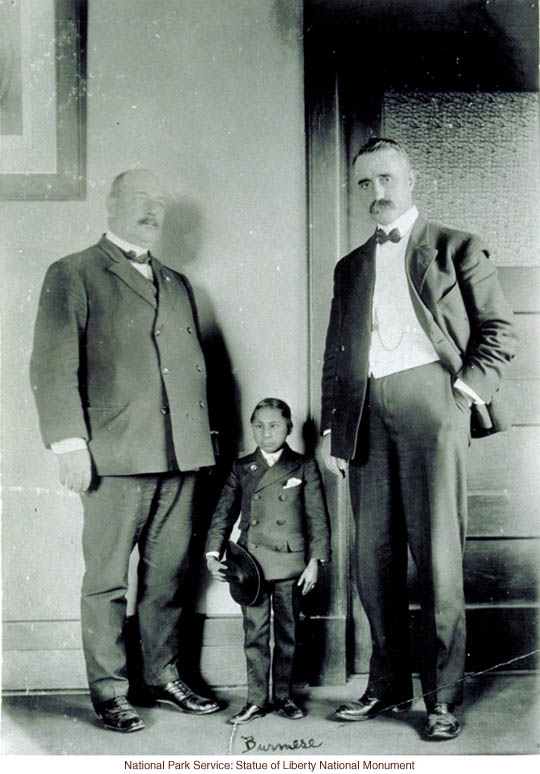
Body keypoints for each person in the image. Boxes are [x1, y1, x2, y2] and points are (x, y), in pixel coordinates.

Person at [320, 138, 518, 740]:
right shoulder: (350, 266)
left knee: (437, 558)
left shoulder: (456, 247)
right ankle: (384, 686)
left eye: (386, 179)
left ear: (410, 180)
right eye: (364, 184)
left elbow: (499, 330)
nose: (376, 194)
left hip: (434, 405)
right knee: (372, 559)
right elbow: (338, 353)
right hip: (363, 417)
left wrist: (461, 393)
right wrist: (333, 426)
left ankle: (442, 698)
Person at [30, 169, 221, 732]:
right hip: (113, 457)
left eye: (159, 203)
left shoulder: (179, 282)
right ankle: (111, 691)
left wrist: (203, 446)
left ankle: (161, 677)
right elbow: (51, 365)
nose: (151, 210)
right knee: (108, 581)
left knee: (169, 576)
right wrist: (70, 445)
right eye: (139, 200)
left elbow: (190, 371)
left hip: (181, 458)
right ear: (110, 204)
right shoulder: (73, 273)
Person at [205, 398, 330, 724]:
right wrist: (212, 554)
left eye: (274, 425)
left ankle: (284, 697)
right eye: (258, 426)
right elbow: (223, 514)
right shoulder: (241, 467)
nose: (266, 433)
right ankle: (256, 701)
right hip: (251, 567)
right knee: (254, 635)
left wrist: (316, 560)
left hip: (291, 564)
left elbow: (318, 518)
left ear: (288, 426)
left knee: (288, 635)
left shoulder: (303, 465)